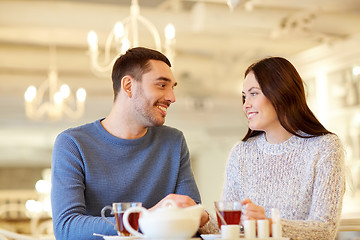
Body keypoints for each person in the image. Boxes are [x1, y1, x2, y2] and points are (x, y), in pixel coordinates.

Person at [51, 47, 209, 240]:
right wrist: (145, 218)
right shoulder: (73, 144)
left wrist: (198, 216)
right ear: (128, 86)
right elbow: (67, 228)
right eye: (161, 85)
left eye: (172, 87)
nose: (171, 97)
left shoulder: (174, 142)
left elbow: (190, 219)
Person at [221, 57, 346, 240]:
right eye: (244, 96)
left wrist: (267, 224)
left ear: (280, 94)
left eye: (253, 93)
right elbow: (227, 225)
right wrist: (201, 217)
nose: (245, 104)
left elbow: (325, 229)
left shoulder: (325, 147)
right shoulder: (241, 153)